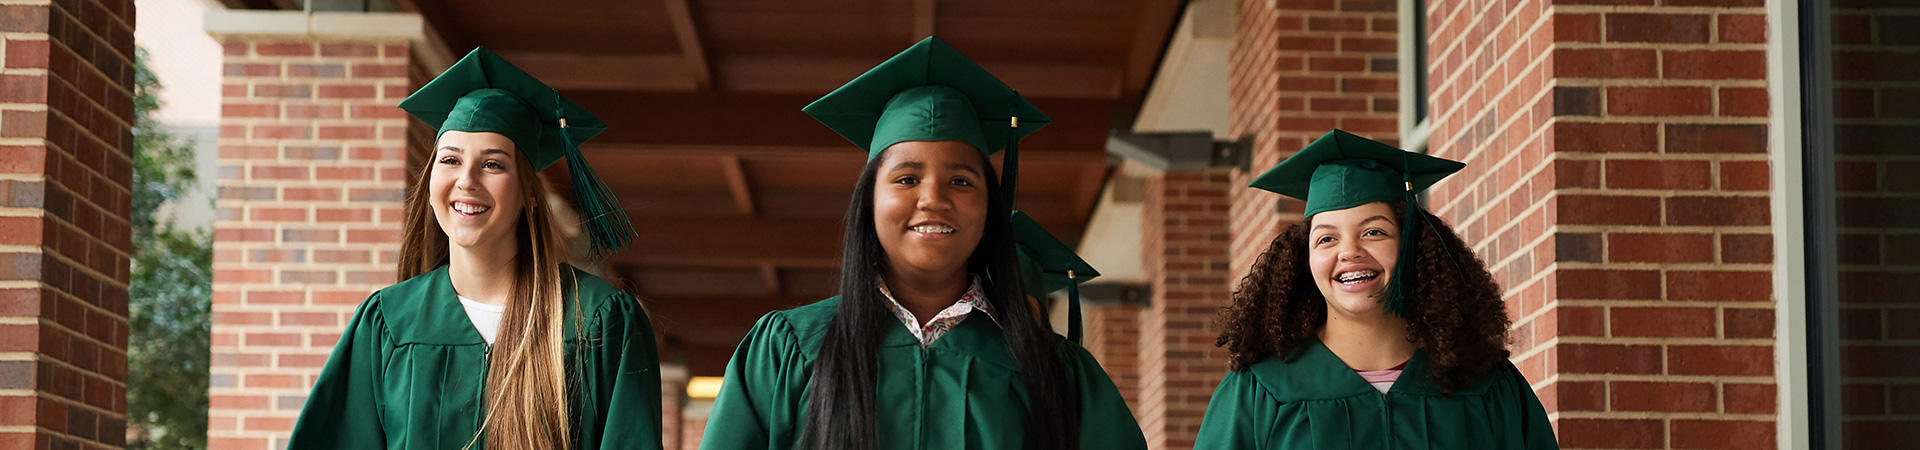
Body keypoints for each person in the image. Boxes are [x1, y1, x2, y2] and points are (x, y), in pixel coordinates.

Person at [698, 37, 1147, 450]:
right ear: (869, 200)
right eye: (907, 178)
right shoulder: (788, 348)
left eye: (961, 180)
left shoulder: (1057, 371)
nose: (933, 198)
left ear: (991, 206)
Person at [286, 48, 662, 450]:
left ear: (529, 194)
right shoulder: (389, 323)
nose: (466, 180)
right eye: (450, 160)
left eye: (493, 164)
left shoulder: (597, 320)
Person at [1194, 130, 1558, 449]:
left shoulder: (1485, 385)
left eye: (1374, 232)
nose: (1349, 252)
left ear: (1413, 246)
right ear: (1303, 261)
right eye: (1326, 239)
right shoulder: (1262, 391)